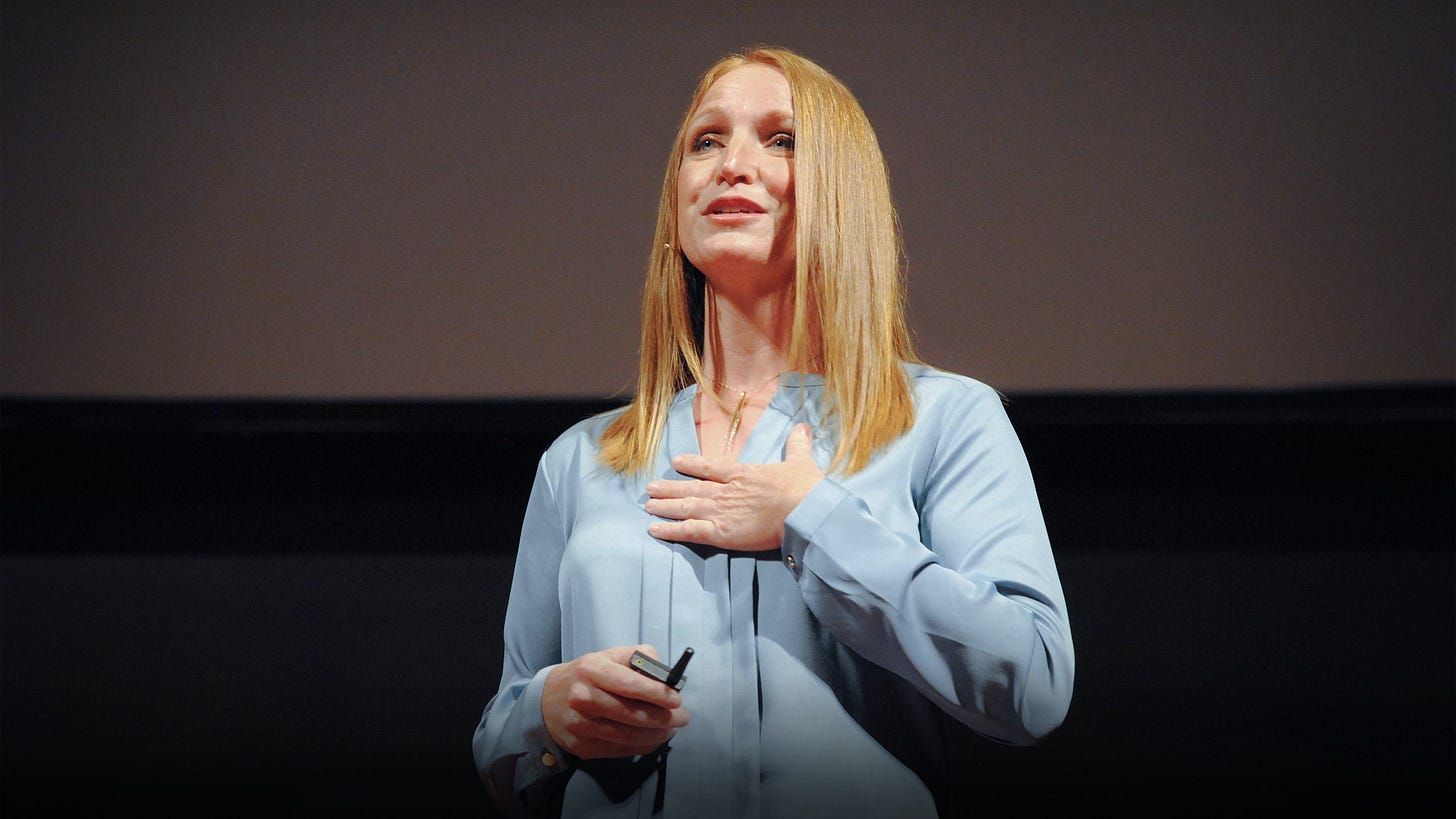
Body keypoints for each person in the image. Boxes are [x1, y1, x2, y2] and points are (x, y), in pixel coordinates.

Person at [472, 46, 1074, 819]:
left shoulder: (943, 421)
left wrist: (810, 519)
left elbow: (1033, 681)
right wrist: (547, 712)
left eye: (781, 139)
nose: (732, 164)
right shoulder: (579, 462)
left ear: (841, 194)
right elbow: (501, 758)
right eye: (707, 140)